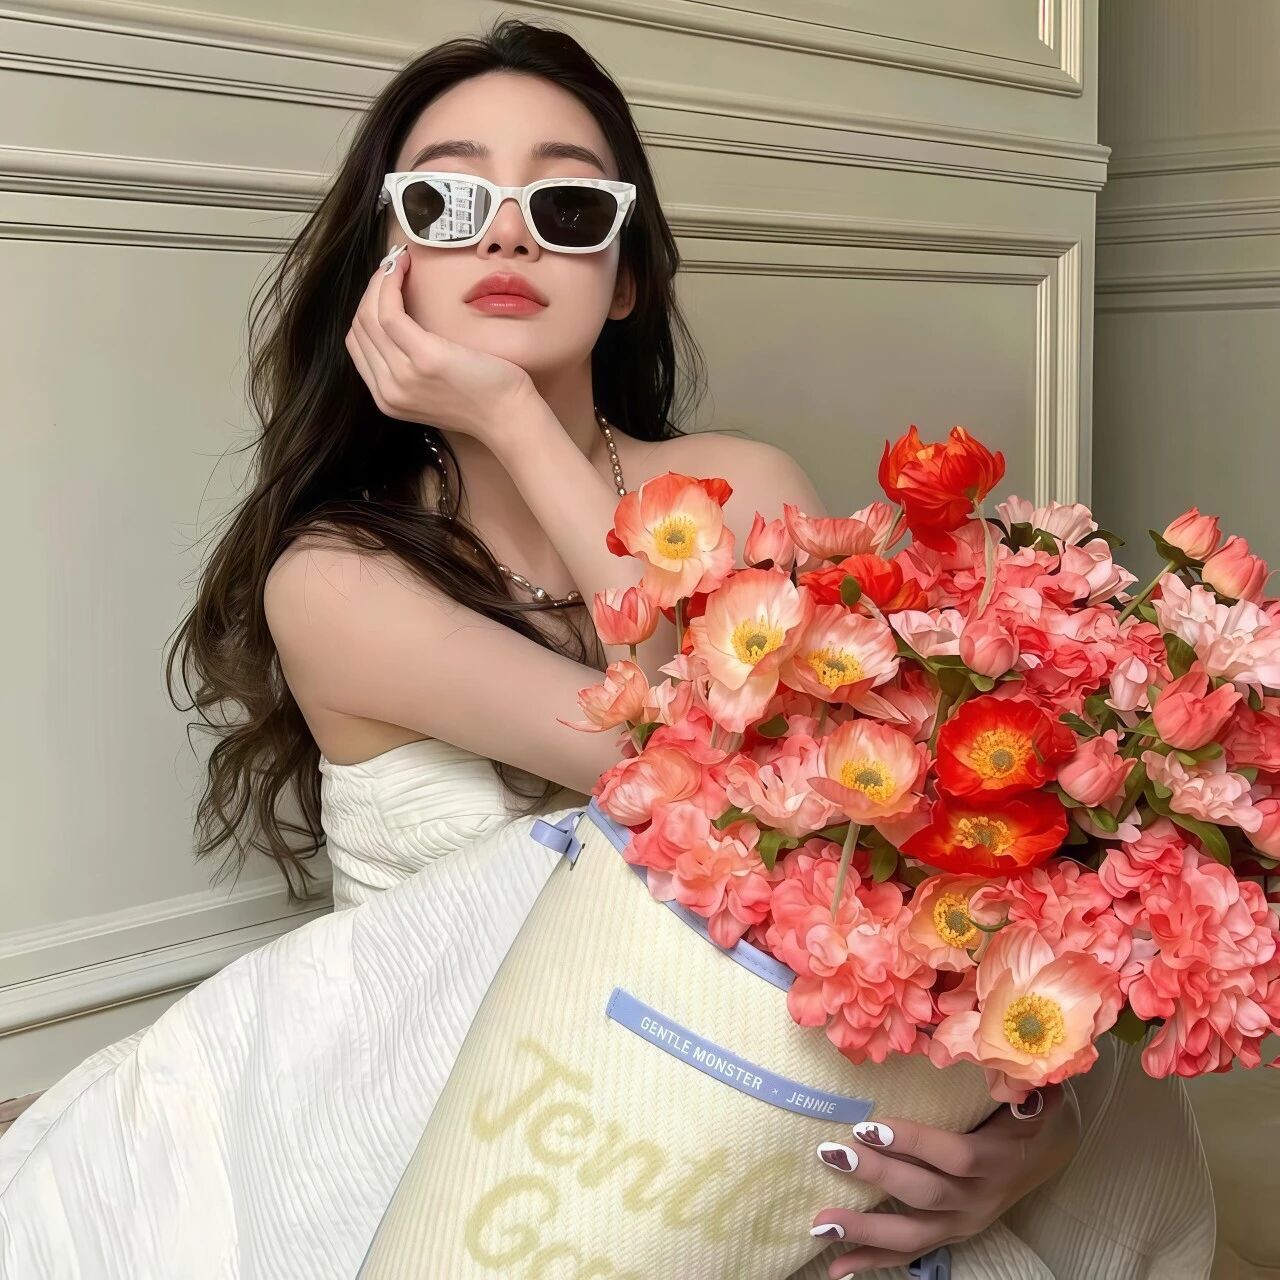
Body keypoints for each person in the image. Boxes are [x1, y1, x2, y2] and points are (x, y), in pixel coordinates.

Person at [0, 18, 1214, 1280]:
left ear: (623, 276)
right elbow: (703, 780)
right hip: (479, 1127)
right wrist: (512, 417)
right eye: (447, 200)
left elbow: (860, 830)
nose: (507, 234)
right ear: (387, 265)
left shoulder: (747, 485)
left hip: (770, 1090)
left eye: (568, 205)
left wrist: (1033, 1131)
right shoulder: (337, 580)